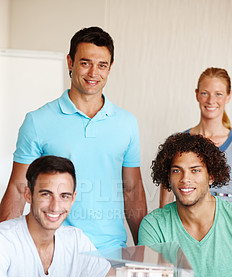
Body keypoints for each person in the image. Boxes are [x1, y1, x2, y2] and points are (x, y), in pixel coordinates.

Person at [0, 26, 147, 249]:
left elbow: (133, 189)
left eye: (102, 65)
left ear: (110, 68)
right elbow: (19, 188)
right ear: (70, 62)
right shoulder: (37, 121)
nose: (93, 73)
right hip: (53, 250)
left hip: (111, 251)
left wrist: (143, 250)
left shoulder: (127, 123)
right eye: (85, 62)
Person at [139, 133, 232, 277]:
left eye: (195, 170)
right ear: (168, 177)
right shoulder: (154, 225)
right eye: (177, 170)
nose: (185, 179)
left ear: (211, 176)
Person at [0, 156, 111, 277]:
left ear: (73, 198)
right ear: (28, 194)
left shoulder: (76, 240)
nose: (55, 206)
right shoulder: (4, 239)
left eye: (64, 196)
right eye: (46, 194)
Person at [160, 67, 232, 208]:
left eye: (218, 94)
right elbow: (165, 205)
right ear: (197, 94)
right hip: (185, 226)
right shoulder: (177, 143)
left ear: (228, 96)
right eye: (205, 93)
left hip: (226, 227)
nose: (211, 100)